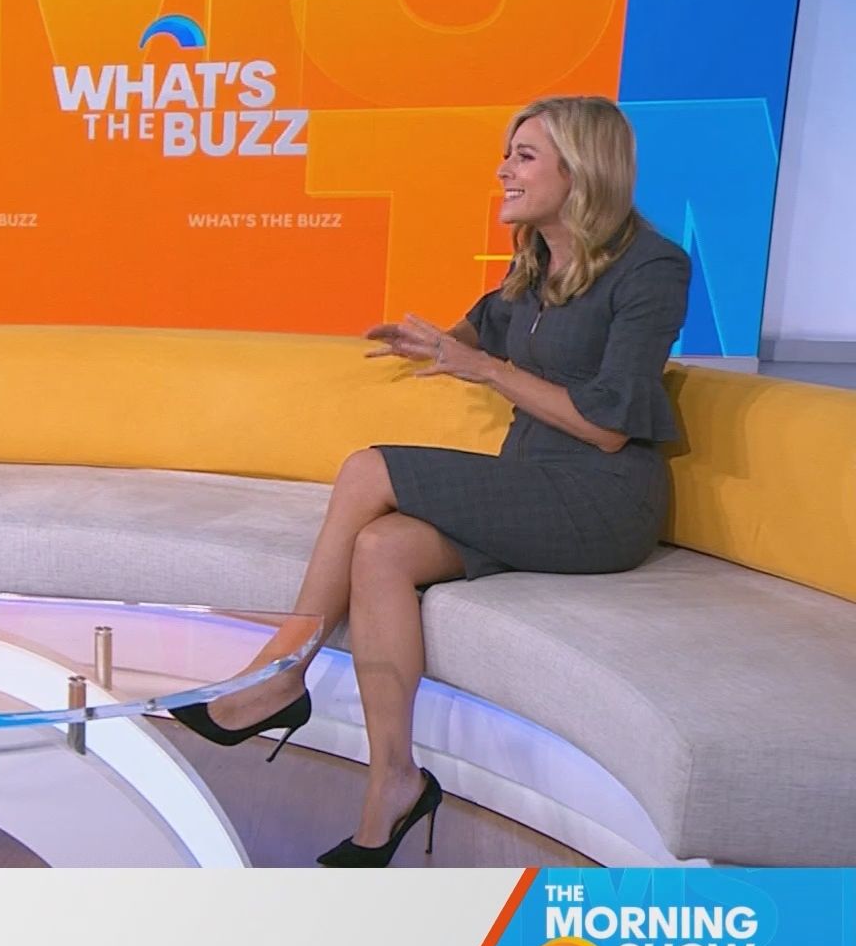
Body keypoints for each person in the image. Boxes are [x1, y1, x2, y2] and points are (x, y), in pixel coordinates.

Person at [170, 95, 691, 867]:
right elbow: (488, 325)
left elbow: (609, 424)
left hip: (602, 500)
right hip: (530, 483)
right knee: (380, 549)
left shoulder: (653, 268)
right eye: (507, 153)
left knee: (369, 468)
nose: (503, 170)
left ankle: (281, 672)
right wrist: (440, 343)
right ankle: (395, 783)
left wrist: (481, 368)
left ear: (582, 170)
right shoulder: (537, 257)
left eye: (523, 156)